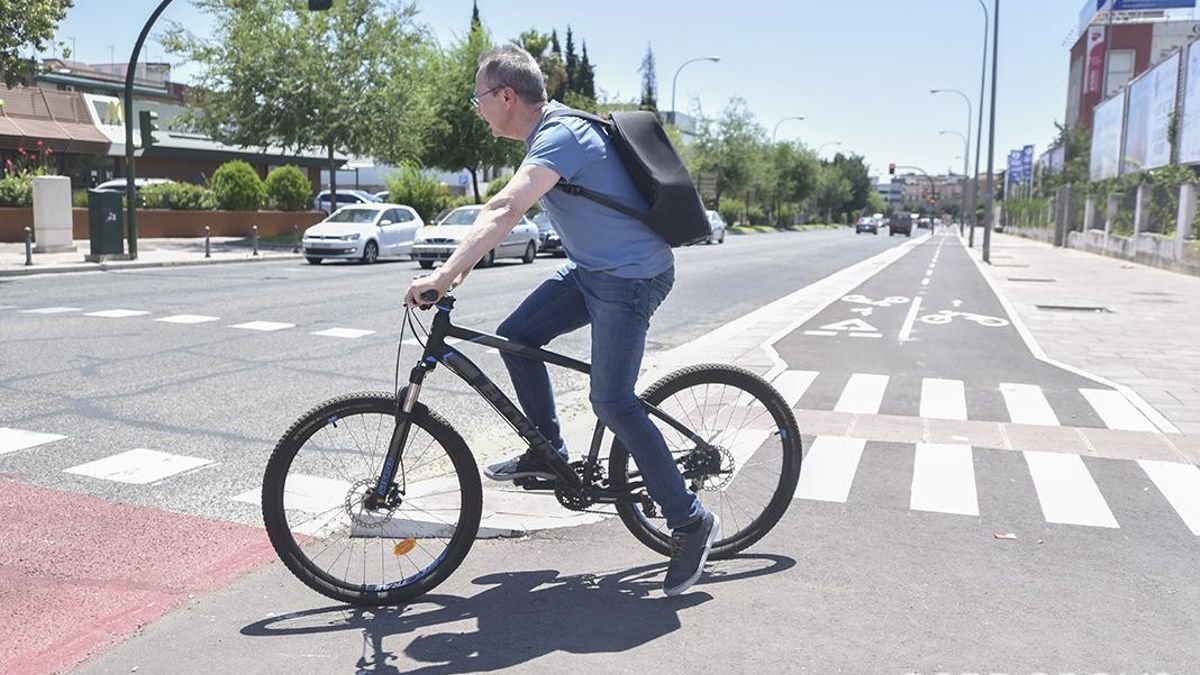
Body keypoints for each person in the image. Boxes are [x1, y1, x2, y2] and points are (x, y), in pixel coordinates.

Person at [403, 45, 717, 596]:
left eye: (478, 98)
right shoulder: (545, 136)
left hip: (631, 278)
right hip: (591, 271)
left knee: (612, 401)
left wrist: (445, 274)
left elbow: (506, 209)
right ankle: (547, 452)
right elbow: (503, 215)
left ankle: (691, 522)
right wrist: (461, 268)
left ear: (506, 96)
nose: (477, 109)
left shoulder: (561, 135)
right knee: (517, 337)